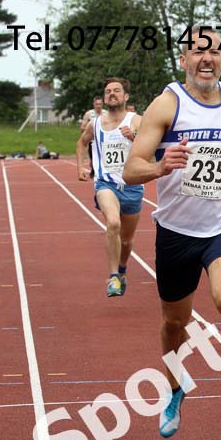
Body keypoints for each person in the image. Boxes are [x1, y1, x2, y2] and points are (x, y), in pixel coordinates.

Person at [123, 28, 221, 438]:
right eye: (197, 51)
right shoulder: (166, 104)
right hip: (175, 230)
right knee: (175, 322)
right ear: (184, 59)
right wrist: (159, 166)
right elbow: (130, 169)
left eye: (214, 52)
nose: (206, 59)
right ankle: (175, 388)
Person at [76, 78, 144, 297]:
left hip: (132, 186)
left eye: (116, 91)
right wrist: (80, 167)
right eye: (108, 91)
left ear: (126, 96)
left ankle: (122, 269)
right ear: (104, 98)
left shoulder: (137, 121)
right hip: (106, 184)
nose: (111, 94)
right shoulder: (95, 123)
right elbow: (81, 143)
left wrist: (133, 137)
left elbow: (150, 149)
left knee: (127, 240)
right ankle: (114, 276)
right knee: (112, 222)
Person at [82, 96, 106, 178]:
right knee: (93, 157)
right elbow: (82, 127)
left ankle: (100, 171)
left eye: (100, 104)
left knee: (103, 157)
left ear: (102, 104)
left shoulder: (106, 113)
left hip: (104, 140)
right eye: (97, 104)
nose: (98, 106)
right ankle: (93, 169)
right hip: (93, 141)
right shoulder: (89, 114)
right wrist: (89, 130)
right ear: (94, 104)